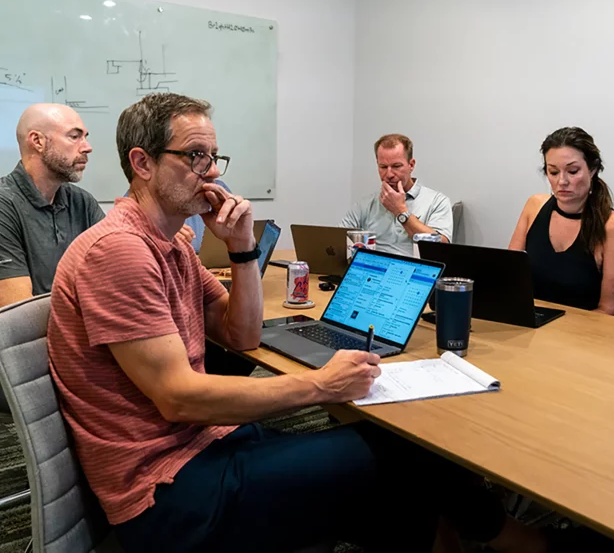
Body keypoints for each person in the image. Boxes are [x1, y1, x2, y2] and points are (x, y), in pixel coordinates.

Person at [48, 93, 547, 553]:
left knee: (402, 456)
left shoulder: (173, 243)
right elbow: (178, 397)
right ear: (142, 163)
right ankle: (516, 540)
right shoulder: (120, 251)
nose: (212, 175)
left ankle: (467, 536)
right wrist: (321, 386)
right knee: (406, 458)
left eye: (214, 159)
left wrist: (243, 250)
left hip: (207, 444)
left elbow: (241, 336)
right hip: (169, 492)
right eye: (195, 157)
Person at [0, 103, 103, 412]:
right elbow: (20, 318)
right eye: (75, 136)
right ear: (38, 141)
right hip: (5, 365)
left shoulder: (80, 202)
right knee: (133, 385)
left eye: (85, 136)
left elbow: (118, 270)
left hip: (73, 346)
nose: (87, 147)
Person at [509, 127, 614, 314]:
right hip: (530, 326)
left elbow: (610, 310)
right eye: (553, 172)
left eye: (573, 171)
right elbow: (509, 277)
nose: (562, 181)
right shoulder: (534, 206)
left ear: (592, 170)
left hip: (583, 334)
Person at [341, 133, 453, 256]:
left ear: (411, 165)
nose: (389, 174)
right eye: (383, 167)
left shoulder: (437, 201)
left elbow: (441, 249)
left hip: (416, 271)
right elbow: (338, 241)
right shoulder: (365, 205)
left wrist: (400, 212)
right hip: (374, 270)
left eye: (396, 166)